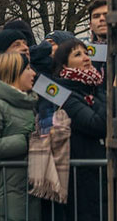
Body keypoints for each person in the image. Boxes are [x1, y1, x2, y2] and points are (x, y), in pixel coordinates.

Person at [0, 53, 39, 221]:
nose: (33, 73)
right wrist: (26, 141)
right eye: (27, 69)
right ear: (12, 72)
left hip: (22, 194)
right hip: (0, 202)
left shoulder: (26, 103)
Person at [53, 38, 106, 221]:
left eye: (86, 53)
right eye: (77, 54)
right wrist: (107, 90)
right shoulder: (65, 95)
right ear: (64, 66)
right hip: (82, 181)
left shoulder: (91, 89)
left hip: (99, 178)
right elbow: (98, 125)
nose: (86, 58)